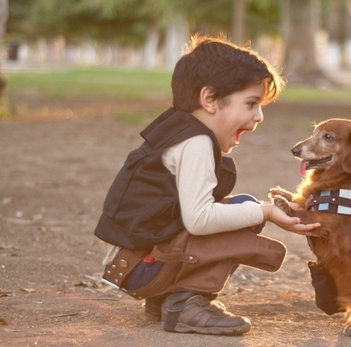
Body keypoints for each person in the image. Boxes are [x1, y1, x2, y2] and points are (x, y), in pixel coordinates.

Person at [94, 35, 320, 336]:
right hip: (140, 270)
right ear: (210, 100)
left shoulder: (178, 130)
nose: (259, 116)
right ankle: (185, 304)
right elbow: (199, 220)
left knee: (240, 209)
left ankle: (166, 299)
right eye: (251, 104)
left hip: (134, 264)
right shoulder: (196, 143)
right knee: (244, 211)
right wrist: (264, 212)